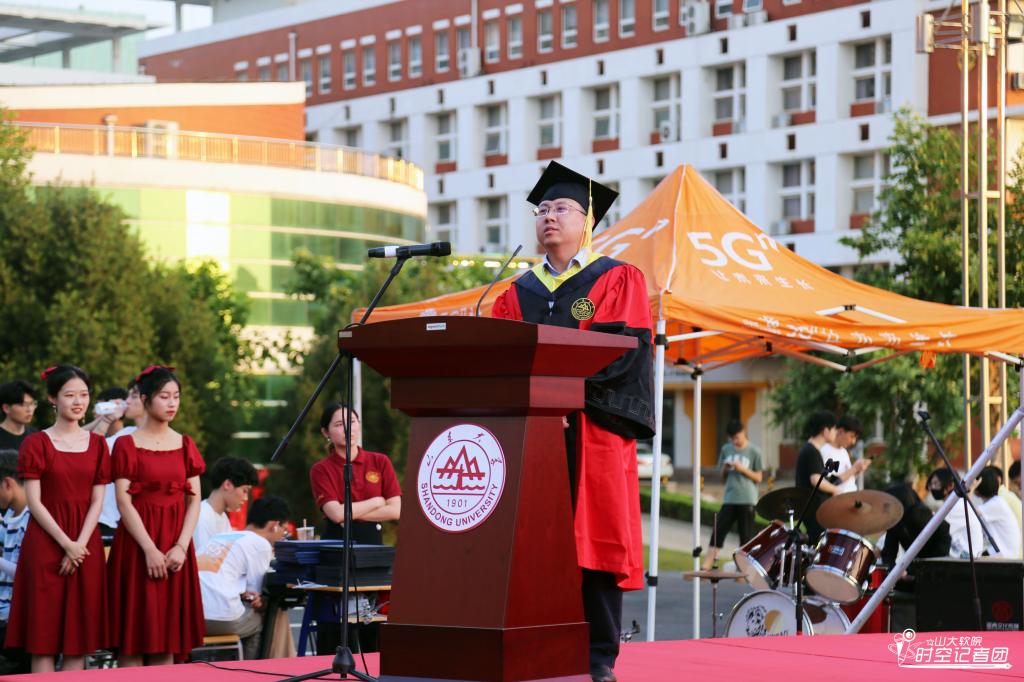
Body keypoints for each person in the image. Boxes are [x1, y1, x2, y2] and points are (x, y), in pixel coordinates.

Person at [492, 161, 655, 682]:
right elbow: (501, 362)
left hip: (592, 431)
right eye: (542, 209)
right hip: (531, 437)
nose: (548, 216)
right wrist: (539, 408)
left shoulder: (616, 279)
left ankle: (598, 657)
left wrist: (563, 401)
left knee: (593, 541)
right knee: (531, 544)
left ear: (588, 222)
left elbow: (623, 355)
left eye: (561, 207)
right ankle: (536, 647)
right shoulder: (514, 294)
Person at [5, 365, 109, 673]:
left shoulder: (98, 445)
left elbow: (97, 501)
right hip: (46, 543)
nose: (78, 401)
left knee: (78, 642)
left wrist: (79, 546)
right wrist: (67, 545)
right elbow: (34, 502)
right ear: (52, 398)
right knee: (44, 641)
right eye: (69, 395)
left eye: (84, 394)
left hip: (86, 544)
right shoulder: (36, 443)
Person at [106, 365, 205, 666]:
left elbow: (194, 500)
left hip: (175, 549)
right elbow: (124, 502)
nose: (172, 403)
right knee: (132, 643)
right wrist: (149, 549)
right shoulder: (126, 443)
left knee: (167, 642)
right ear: (145, 399)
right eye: (164, 396)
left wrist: (181, 546)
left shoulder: (185, 444)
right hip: (137, 547)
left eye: (176, 396)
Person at [198, 495, 290, 659]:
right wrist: (256, 598)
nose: (283, 535)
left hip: (191, 616)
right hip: (219, 619)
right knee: (258, 621)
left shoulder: (222, 536)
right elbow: (256, 597)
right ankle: (250, 668)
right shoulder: (261, 544)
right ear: (274, 525)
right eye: (284, 530)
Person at [310, 403, 400, 545]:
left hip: (373, 544)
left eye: (352, 422)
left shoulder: (380, 461)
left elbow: (395, 511)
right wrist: (377, 502)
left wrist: (346, 515)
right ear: (326, 432)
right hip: (336, 546)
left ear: (359, 424)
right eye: (339, 424)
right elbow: (336, 514)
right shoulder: (321, 469)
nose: (347, 429)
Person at [702, 419, 762, 571]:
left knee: (745, 536)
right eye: (732, 438)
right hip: (730, 497)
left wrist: (742, 469)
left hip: (747, 499)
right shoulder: (726, 449)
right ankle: (706, 565)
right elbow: (722, 476)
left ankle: (742, 570)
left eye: (737, 437)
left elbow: (759, 477)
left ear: (743, 432)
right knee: (719, 530)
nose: (735, 441)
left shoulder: (755, 451)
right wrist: (726, 468)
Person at [98, 381, 145, 541]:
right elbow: (87, 449)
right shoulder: (126, 433)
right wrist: (106, 419)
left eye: (133, 396)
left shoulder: (173, 441)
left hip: (130, 523)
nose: (127, 401)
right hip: (110, 520)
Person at [0, 451, 30, 674]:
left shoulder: (31, 518)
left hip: (14, 618)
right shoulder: (11, 513)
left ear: (8, 484)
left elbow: (25, 574)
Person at [194, 457, 258, 552]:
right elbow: (201, 558)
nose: (246, 498)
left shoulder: (222, 517)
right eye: (244, 491)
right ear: (227, 484)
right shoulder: (201, 516)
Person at [880, 481, 951, 567]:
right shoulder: (895, 523)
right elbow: (888, 554)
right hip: (915, 566)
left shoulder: (918, 514)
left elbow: (944, 528)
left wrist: (937, 563)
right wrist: (892, 569)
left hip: (936, 564)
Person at [794, 410, 839, 544]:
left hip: (814, 509)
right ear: (825, 431)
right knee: (819, 544)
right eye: (834, 429)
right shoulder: (810, 451)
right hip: (812, 509)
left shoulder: (813, 450)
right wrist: (835, 490)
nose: (836, 432)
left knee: (816, 544)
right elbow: (815, 480)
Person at [926, 468, 984, 559]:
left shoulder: (957, 506)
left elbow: (935, 530)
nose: (932, 488)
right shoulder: (954, 504)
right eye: (931, 484)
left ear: (950, 485)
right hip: (964, 557)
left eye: (936, 483)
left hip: (967, 559)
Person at [974, 467, 1021, 558]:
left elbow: (969, 513)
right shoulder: (994, 502)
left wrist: (970, 490)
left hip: (1005, 558)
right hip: (1002, 555)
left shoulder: (997, 503)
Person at [820, 414, 870, 494]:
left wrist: (857, 470)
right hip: (839, 498)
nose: (853, 441)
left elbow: (846, 479)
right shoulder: (826, 451)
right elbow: (830, 483)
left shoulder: (843, 451)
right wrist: (854, 469)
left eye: (855, 438)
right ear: (841, 431)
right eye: (851, 436)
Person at [0, 381, 37, 451]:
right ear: (6, 408)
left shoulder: (35, 436)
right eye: (23, 404)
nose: (29, 409)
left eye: (32, 403)